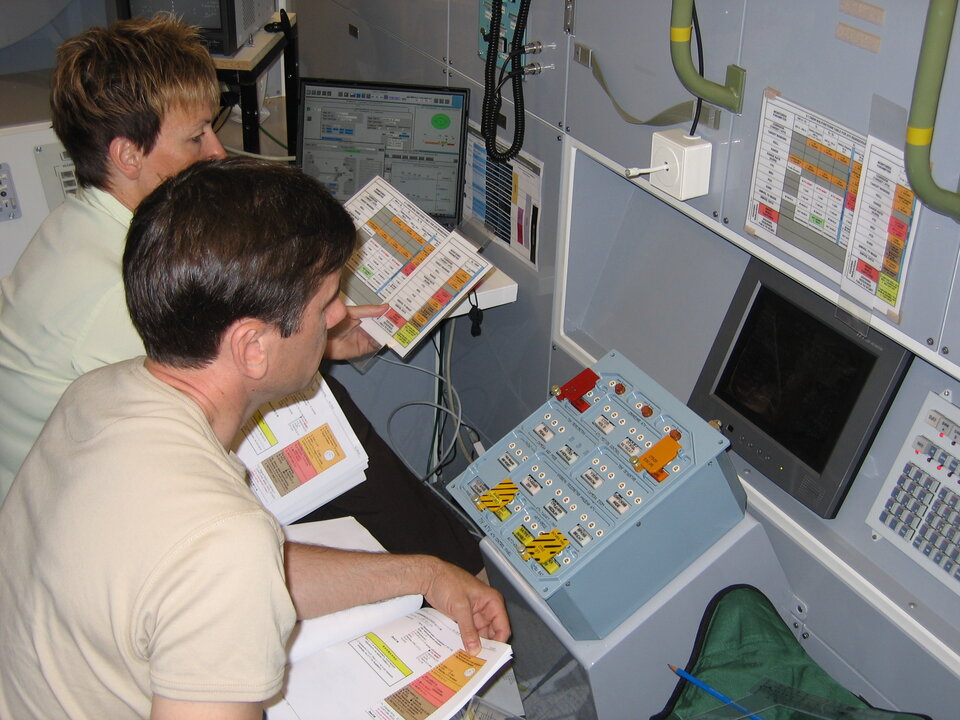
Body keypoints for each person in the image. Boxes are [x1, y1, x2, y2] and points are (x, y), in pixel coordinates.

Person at [0, 157, 510, 720]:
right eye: (325, 303)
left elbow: (237, 569)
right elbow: (226, 561)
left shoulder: (94, 395)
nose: (339, 315)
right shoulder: (222, 541)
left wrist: (424, 572)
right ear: (252, 349)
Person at [0, 15, 482, 572]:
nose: (216, 152)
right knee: (328, 430)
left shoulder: (79, 225)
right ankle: (453, 571)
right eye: (194, 137)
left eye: (213, 128)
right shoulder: (115, 298)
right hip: (71, 538)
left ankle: (442, 564)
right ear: (128, 155)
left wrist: (320, 340)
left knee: (326, 416)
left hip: (63, 496)